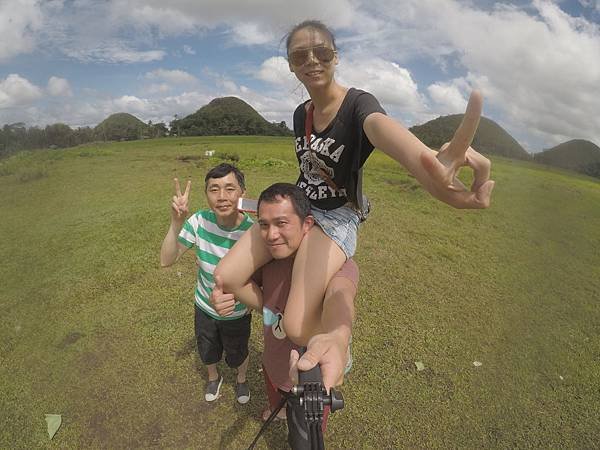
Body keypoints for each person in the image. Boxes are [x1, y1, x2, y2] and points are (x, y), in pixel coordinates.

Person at [215, 19, 495, 349]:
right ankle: (274, 311)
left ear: (336, 57)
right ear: (291, 66)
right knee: (227, 276)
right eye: (300, 55)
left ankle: (330, 349)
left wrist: (431, 162)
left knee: (296, 327)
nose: (312, 61)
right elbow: (309, 171)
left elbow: (383, 130)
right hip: (299, 205)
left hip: (335, 216)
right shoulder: (300, 113)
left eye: (321, 52)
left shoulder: (359, 105)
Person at [211, 183, 356, 449]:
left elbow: (341, 296)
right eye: (263, 225)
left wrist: (338, 335)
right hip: (273, 360)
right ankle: (279, 410)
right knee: (276, 392)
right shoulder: (267, 262)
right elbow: (239, 284)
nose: (271, 234)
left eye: (281, 223)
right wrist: (225, 296)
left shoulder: (334, 264)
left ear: (307, 224)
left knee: (303, 440)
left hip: (308, 378)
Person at [160, 163, 254, 404]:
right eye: (214, 189)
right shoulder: (199, 221)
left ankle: (241, 379)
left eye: (229, 188)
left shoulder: (254, 233)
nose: (221, 197)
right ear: (206, 195)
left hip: (238, 313)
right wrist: (176, 223)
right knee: (208, 350)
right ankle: (214, 378)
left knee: (238, 352)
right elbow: (166, 260)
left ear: (242, 193)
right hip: (204, 307)